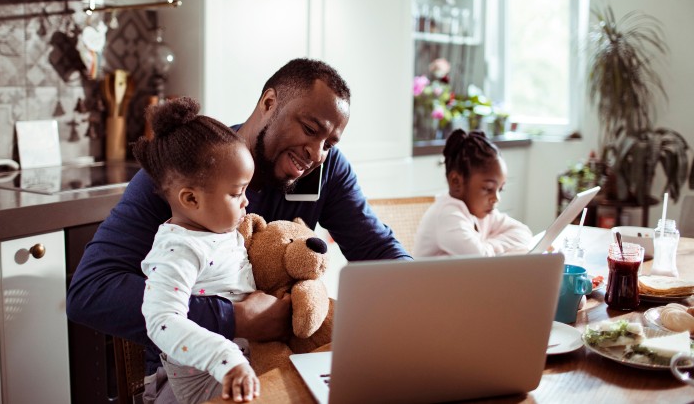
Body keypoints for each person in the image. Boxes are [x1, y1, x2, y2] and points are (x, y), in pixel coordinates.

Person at [66, 58, 410, 403]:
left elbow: (377, 250)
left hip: (276, 365)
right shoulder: (187, 173)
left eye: (329, 144)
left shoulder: (327, 171)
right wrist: (234, 318)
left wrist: (427, 296)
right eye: (309, 129)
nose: (317, 153)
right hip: (198, 380)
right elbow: (90, 293)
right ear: (269, 103)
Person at [132, 97, 259, 403]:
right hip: (203, 386)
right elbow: (163, 320)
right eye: (237, 193)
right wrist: (225, 360)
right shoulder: (178, 249)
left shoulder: (219, 231)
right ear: (191, 200)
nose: (246, 202)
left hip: (242, 372)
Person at [413, 129, 532, 257]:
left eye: (500, 189)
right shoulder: (447, 215)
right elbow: (480, 258)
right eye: (488, 188)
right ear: (456, 181)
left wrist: (488, 245)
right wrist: (492, 247)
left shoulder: (483, 213)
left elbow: (524, 232)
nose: (496, 198)